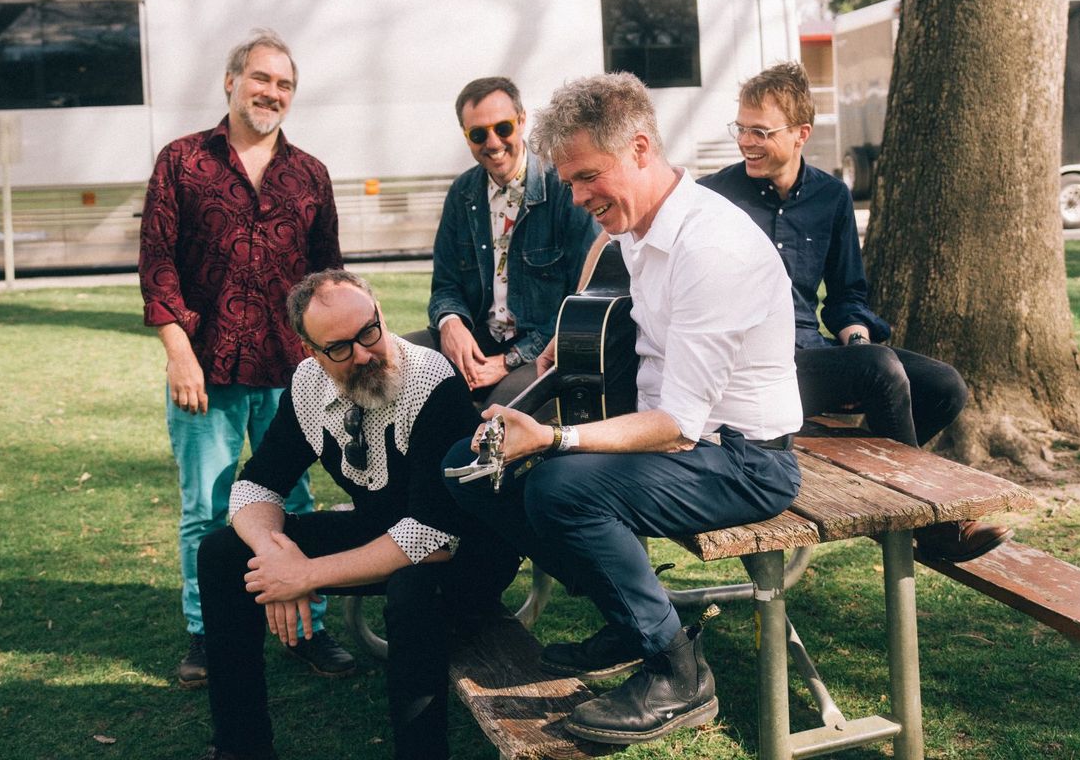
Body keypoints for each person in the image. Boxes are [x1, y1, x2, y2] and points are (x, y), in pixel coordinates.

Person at [444, 72, 803, 746]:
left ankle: (676, 670)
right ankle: (630, 614)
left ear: (641, 149)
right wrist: (560, 336)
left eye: (587, 177)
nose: (578, 198)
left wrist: (552, 438)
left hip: (745, 461)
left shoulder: (712, 248)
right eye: (570, 180)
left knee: (556, 486)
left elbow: (677, 424)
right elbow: (615, 280)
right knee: (466, 468)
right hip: (690, 444)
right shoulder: (641, 222)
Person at [196, 270, 520, 760]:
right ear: (311, 351)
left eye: (369, 331)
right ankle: (242, 748)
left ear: (381, 314)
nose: (365, 353)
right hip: (387, 534)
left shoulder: (434, 383)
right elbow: (257, 483)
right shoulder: (306, 384)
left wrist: (304, 574)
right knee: (223, 551)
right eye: (340, 348)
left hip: (468, 554)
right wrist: (273, 557)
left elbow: (432, 537)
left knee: (412, 588)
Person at [698, 61, 1012, 562]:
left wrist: (857, 346)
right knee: (879, 370)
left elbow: (847, 295)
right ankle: (933, 524)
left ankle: (871, 468)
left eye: (760, 131)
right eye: (741, 128)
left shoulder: (831, 196)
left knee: (945, 385)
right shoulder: (712, 197)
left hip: (813, 357)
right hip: (755, 370)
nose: (746, 142)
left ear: (801, 134)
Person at [138, 29, 347, 689]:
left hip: (293, 377)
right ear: (231, 82)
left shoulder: (309, 173)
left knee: (292, 500)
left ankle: (306, 626)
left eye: (284, 85)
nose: (273, 94)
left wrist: (331, 361)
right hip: (208, 374)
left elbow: (327, 277)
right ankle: (208, 634)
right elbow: (157, 263)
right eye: (261, 79)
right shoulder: (182, 162)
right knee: (206, 508)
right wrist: (178, 352)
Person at [406, 77, 599, 407]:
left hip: (541, 347)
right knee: (396, 365)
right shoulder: (462, 193)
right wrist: (450, 323)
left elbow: (582, 301)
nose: (493, 143)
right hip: (479, 339)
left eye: (504, 128)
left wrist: (508, 361)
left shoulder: (563, 188)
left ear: (522, 120)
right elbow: (445, 284)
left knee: (497, 411)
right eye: (479, 134)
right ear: (467, 137)